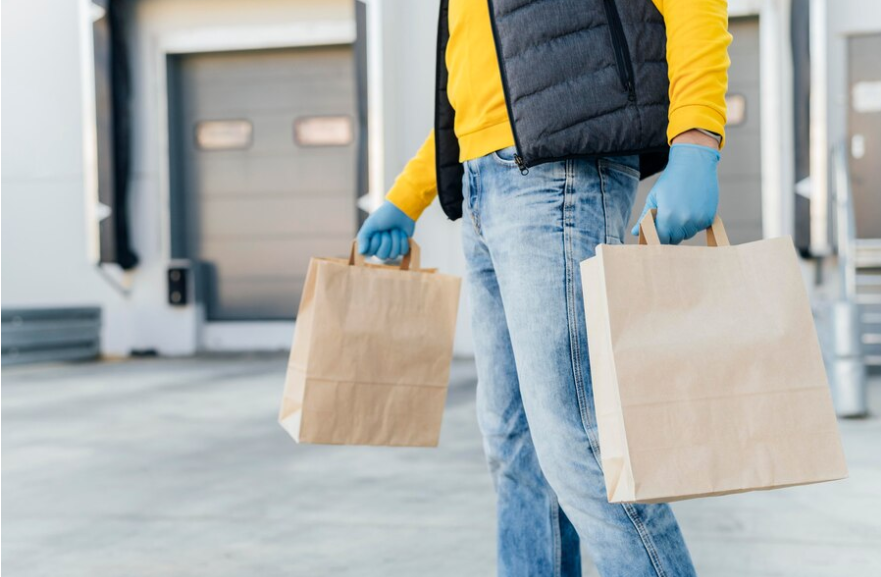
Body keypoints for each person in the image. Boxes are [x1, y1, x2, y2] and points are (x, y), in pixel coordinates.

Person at [357, 1, 731, 575]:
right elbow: (481, 98)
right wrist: (406, 200)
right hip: (485, 189)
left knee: (581, 446)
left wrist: (696, 139)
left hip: (559, 176)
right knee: (515, 448)